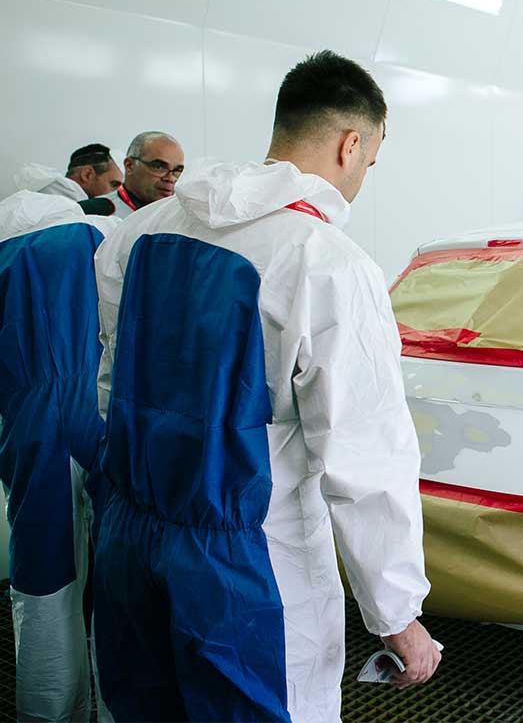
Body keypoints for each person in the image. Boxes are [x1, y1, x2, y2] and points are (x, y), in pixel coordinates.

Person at [91, 50, 438, 722]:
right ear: (351, 143)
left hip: (128, 535)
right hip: (249, 562)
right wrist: (397, 616)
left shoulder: (144, 228)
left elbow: (112, 375)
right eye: (370, 160)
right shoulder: (326, 261)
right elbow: (364, 459)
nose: (365, 173)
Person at [0, 190, 118, 722]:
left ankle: (49, 712)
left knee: (45, 585)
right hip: (102, 415)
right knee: (120, 582)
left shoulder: (7, 253)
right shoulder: (95, 238)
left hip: (29, 432)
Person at [100, 130, 184, 214]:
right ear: (129, 166)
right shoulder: (93, 213)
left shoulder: (182, 216)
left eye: (177, 171)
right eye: (159, 167)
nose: (170, 178)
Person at [12, 144, 124, 202]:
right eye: (114, 185)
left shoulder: (37, 187)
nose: (119, 193)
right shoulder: (70, 209)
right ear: (87, 174)